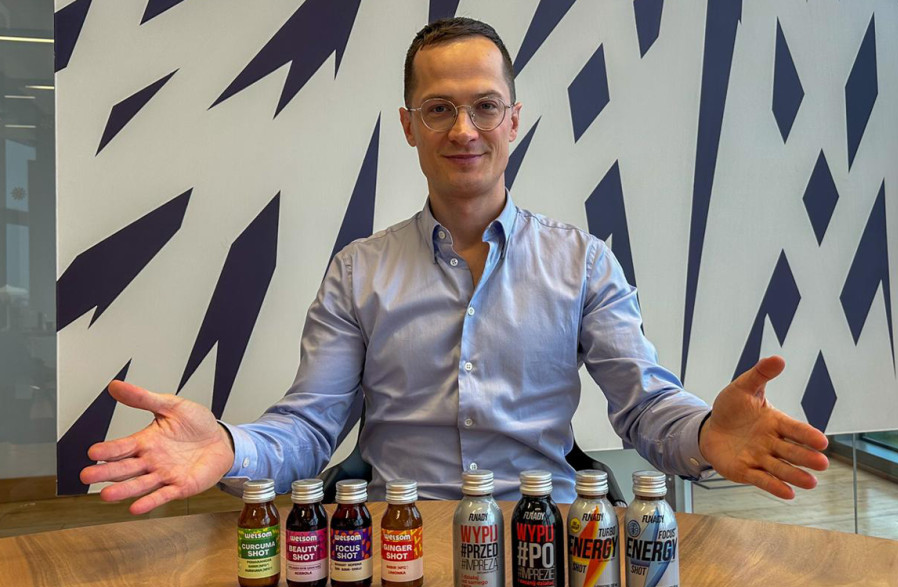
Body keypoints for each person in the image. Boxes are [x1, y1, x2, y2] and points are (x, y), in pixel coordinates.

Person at [81, 18, 829, 513]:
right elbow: (310, 428)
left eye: (483, 106)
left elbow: (641, 406)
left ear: (514, 119)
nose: (463, 129)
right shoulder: (358, 272)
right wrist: (231, 446)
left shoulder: (583, 262)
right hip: (395, 542)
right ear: (409, 126)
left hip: (552, 541)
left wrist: (704, 438)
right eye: (438, 109)